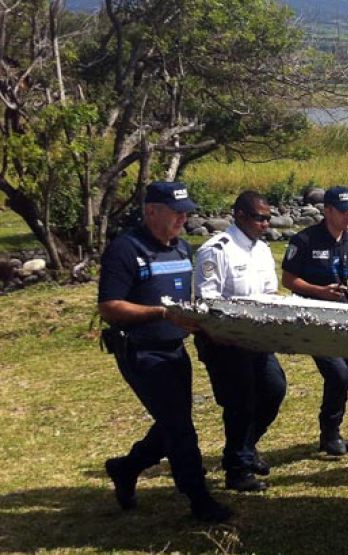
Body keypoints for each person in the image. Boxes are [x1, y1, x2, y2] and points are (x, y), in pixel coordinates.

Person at [98, 181, 231, 522]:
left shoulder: (182, 249)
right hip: (141, 352)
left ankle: (126, 468)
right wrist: (159, 313)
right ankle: (198, 498)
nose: (182, 220)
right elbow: (110, 306)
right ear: (151, 211)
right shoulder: (125, 250)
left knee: (172, 424)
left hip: (174, 348)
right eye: (176, 213)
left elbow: (187, 300)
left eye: (186, 213)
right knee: (180, 428)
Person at [193, 191, 288, 492]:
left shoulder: (261, 250)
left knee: (274, 390)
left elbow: (269, 294)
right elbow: (207, 302)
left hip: (257, 339)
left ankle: (245, 449)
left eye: (268, 218)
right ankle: (237, 469)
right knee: (240, 403)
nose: (265, 224)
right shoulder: (217, 250)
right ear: (240, 215)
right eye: (260, 218)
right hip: (225, 341)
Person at [281, 186, 348, 456]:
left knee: (345, 376)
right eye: (343, 211)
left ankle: (331, 433)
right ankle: (330, 432)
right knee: (336, 374)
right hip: (312, 319)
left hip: (343, 318)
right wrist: (319, 292)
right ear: (327, 211)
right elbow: (288, 280)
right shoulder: (304, 240)